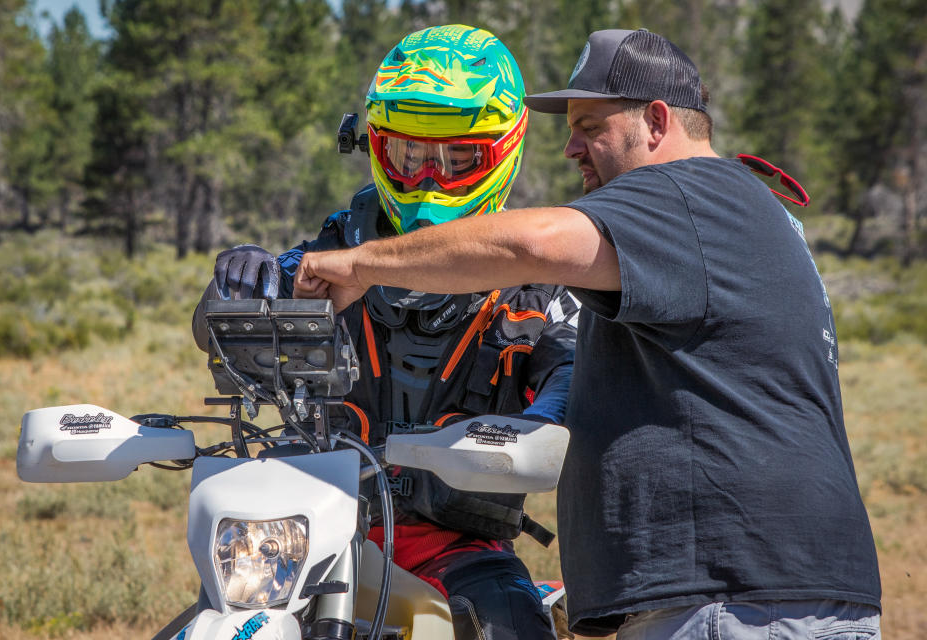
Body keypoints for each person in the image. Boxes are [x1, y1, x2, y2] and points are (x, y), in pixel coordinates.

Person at [293, 28, 883, 640]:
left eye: (591, 125)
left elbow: (533, 245)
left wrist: (356, 264)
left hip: (734, 597)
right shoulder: (727, 209)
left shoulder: (682, 196)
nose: (571, 147)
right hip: (750, 590)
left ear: (656, 122)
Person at [194, 24, 578, 640]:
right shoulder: (336, 248)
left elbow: (572, 370)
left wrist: (541, 425)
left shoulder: (535, 280)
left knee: (511, 623)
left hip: (456, 548)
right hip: (309, 528)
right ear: (373, 146)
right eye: (408, 155)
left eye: (456, 159)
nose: (429, 177)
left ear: (503, 152)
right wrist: (245, 281)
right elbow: (228, 317)